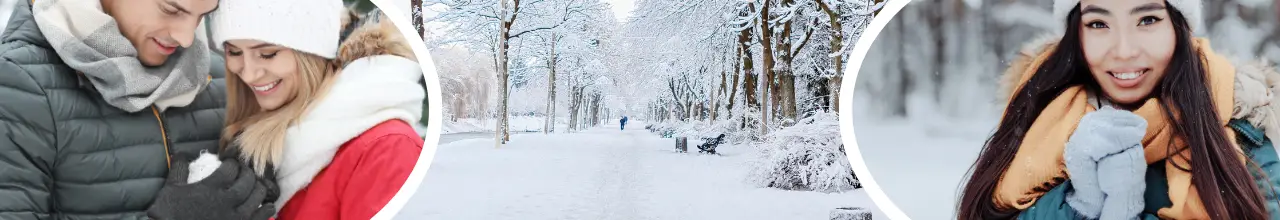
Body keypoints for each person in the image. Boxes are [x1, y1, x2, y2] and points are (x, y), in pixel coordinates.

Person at [955, 0, 1280, 219]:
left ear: (1180, 28)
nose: (1124, 51)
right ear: (1075, 34)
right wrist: (1079, 205)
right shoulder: (1037, 121)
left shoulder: (1243, 127)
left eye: (1148, 19)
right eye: (1098, 23)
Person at [0, 0, 274, 219]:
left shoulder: (212, 78)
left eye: (202, 15)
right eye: (171, 9)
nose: (186, 38)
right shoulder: (21, 84)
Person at [206, 0, 425, 219]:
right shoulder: (250, 131)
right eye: (234, 52)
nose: (249, 74)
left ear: (311, 53)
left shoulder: (387, 149)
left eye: (268, 54)